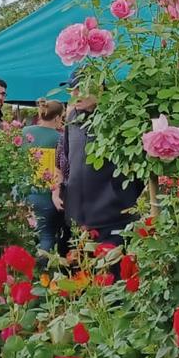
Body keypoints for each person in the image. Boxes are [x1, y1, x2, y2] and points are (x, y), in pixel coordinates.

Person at [53, 81, 143, 250]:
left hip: (112, 217)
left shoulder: (119, 116)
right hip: (77, 218)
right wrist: (58, 188)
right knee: (80, 273)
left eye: (81, 88)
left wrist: (121, 196)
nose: (74, 95)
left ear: (100, 88)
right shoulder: (72, 119)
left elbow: (139, 166)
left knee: (112, 273)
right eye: (72, 90)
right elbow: (65, 159)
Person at [22, 99, 69, 258]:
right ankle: (43, 272)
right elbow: (61, 168)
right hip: (48, 195)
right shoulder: (60, 138)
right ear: (57, 118)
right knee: (47, 235)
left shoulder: (25, 132)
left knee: (27, 235)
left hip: (25, 192)